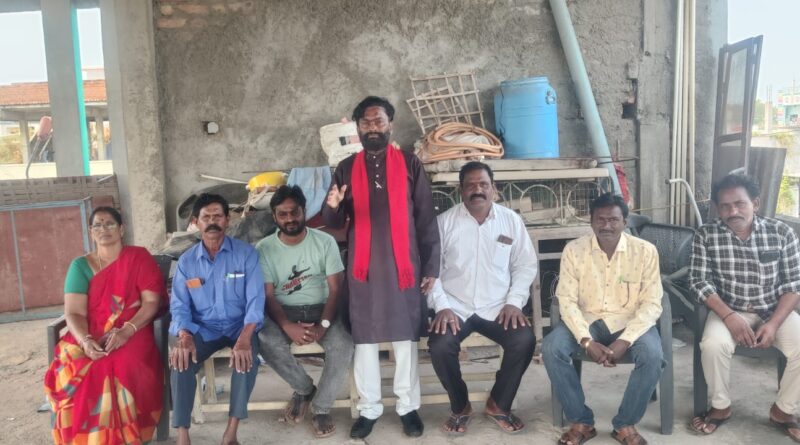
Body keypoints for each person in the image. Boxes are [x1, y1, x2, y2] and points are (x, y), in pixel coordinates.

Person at [322, 96, 441, 439]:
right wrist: (333, 206)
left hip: (404, 266)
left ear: (390, 124)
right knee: (365, 340)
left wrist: (431, 266)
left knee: (405, 339)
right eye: (366, 122)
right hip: (364, 269)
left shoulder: (409, 163)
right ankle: (369, 408)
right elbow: (333, 221)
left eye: (379, 121)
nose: (373, 128)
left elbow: (425, 218)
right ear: (358, 128)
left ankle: (408, 407)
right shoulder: (346, 168)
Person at [542, 193, 664, 445]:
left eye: (614, 220)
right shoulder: (574, 250)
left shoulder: (645, 251)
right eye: (600, 219)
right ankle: (582, 421)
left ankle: (625, 424)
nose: (607, 225)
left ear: (625, 222)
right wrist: (586, 341)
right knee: (552, 347)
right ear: (591, 221)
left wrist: (625, 340)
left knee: (653, 355)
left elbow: (652, 303)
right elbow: (566, 300)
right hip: (588, 320)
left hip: (630, 322)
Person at [427, 161, 538, 435]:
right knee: (440, 345)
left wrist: (514, 302)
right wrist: (442, 307)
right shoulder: (443, 223)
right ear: (460, 189)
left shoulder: (510, 221)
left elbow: (525, 265)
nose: (477, 190)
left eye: (483, 184)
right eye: (471, 185)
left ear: (493, 188)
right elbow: (431, 271)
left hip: (498, 306)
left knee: (524, 340)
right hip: (455, 306)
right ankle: (460, 406)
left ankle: (499, 403)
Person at [689, 174, 800, 442]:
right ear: (718, 209)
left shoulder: (781, 232)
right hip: (728, 309)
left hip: (772, 310)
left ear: (755, 204)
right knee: (713, 345)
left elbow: (793, 284)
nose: (733, 212)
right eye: (725, 206)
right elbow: (699, 281)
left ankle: (783, 410)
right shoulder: (706, 234)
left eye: (740, 204)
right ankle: (721, 406)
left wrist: (773, 324)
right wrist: (729, 316)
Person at [44, 206, 165, 444]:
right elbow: (74, 312)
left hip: (134, 328)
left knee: (123, 364)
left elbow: (151, 302)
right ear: (91, 232)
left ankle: (127, 436)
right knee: (77, 366)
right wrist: (86, 341)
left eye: (110, 223)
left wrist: (127, 330)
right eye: (97, 225)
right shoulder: (80, 266)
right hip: (88, 332)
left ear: (121, 229)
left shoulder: (139, 258)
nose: (104, 229)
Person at [256, 185, 352, 438]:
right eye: (283, 214)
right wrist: (287, 326)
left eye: (294, 212)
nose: (290, 219)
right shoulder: (264, 248)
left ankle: (321, 408)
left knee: (343, 345)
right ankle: (304, 388)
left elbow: (336, 289)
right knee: (265, 339)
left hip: (323, 308)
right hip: (283, 310)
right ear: (274, 217)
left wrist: (324, 325)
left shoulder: (325, 241)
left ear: (304, 211)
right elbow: (268, 295)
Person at [169, 193, 265, 445]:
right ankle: (182, 435)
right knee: (180, 361)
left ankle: (230, 433)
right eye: (206, 217)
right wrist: (184, 335)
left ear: (227, 220)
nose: (212, 222)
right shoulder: (186, 262)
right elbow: (179, 305)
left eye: (217, 216)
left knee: (246, 361)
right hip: (203, 329)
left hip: (239, 328)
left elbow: (256, 301)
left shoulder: (246, 254)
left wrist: (245, 338)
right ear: (195, 222)